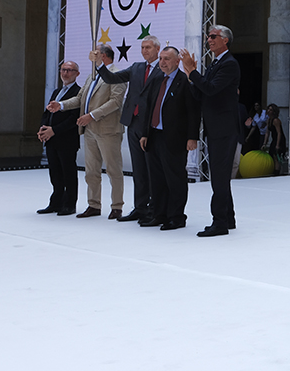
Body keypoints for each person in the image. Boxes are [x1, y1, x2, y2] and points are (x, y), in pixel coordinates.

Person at [48, 45, 127, 219]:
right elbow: (79, 98)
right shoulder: (93, 76)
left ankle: (117, 206)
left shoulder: (116, 74)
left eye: (95, 53)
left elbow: (115, 102)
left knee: (113, 170)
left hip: (108, 130)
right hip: (90, 131)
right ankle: (94, 204)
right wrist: (60, 105)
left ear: (104, 56)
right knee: (91, 171)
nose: (91, 56)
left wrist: (91, 115)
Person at [181, 25, 240, 237]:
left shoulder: (229, 64)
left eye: (214, 36)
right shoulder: (216, 64)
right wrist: (191, 75)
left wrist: (193, 72)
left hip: (224, 129)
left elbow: (211, 89)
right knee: (220, 175)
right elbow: (201, 94)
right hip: (215, 128)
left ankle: (219, 223)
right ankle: (228, 218)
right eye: (208, 36)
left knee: (219, 177)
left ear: (225, 40)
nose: (209, 40)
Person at [95, 35, 161, 223]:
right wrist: (100, 65)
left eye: (148, 47)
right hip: (133, 122)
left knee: (151, 169)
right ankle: (140, 208)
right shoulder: (137, 67)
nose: (144, 50)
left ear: (157, 49)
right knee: (138, 169)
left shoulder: (163, 68)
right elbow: (112, 78)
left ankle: (154, 208)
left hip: (151, 124)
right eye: (142, 47)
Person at [139, 47, 200, 231]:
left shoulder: (184, 82)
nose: (162, 62)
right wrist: (144, 133)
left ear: (177, 61)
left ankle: (176, 217)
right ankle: (158, 214)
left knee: (175, 178)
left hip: (174, 138)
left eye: (167, 59)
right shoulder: (157, 79)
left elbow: (193, 111)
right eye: (161, 59)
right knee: (156, 178)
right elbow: (148, 107)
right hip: (154, 135)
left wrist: (192, 137)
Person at [37, 61, 81, 216]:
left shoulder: (78, 92)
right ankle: (56, 202)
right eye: (63, 70)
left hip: (66, 139)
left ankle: (69, 204)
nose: (65, 73)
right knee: (54, 172)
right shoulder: (57, 91)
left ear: (77, 73)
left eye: (69, 70)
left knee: (68, 172)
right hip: (51, 139)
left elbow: (73, 118)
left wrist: (54, 130)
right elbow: (47, 113)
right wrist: (43, 129)